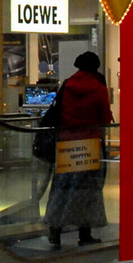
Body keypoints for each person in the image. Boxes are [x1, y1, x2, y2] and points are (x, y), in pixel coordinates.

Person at [43, 51, 113, 247]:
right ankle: (85, 233)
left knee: (61, 188)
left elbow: (57, 111)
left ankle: (55, 231)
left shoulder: (67, 85)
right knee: (88, 191)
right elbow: (105, 119)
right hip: (89, 146)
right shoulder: (99, 89)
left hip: (66, 144)